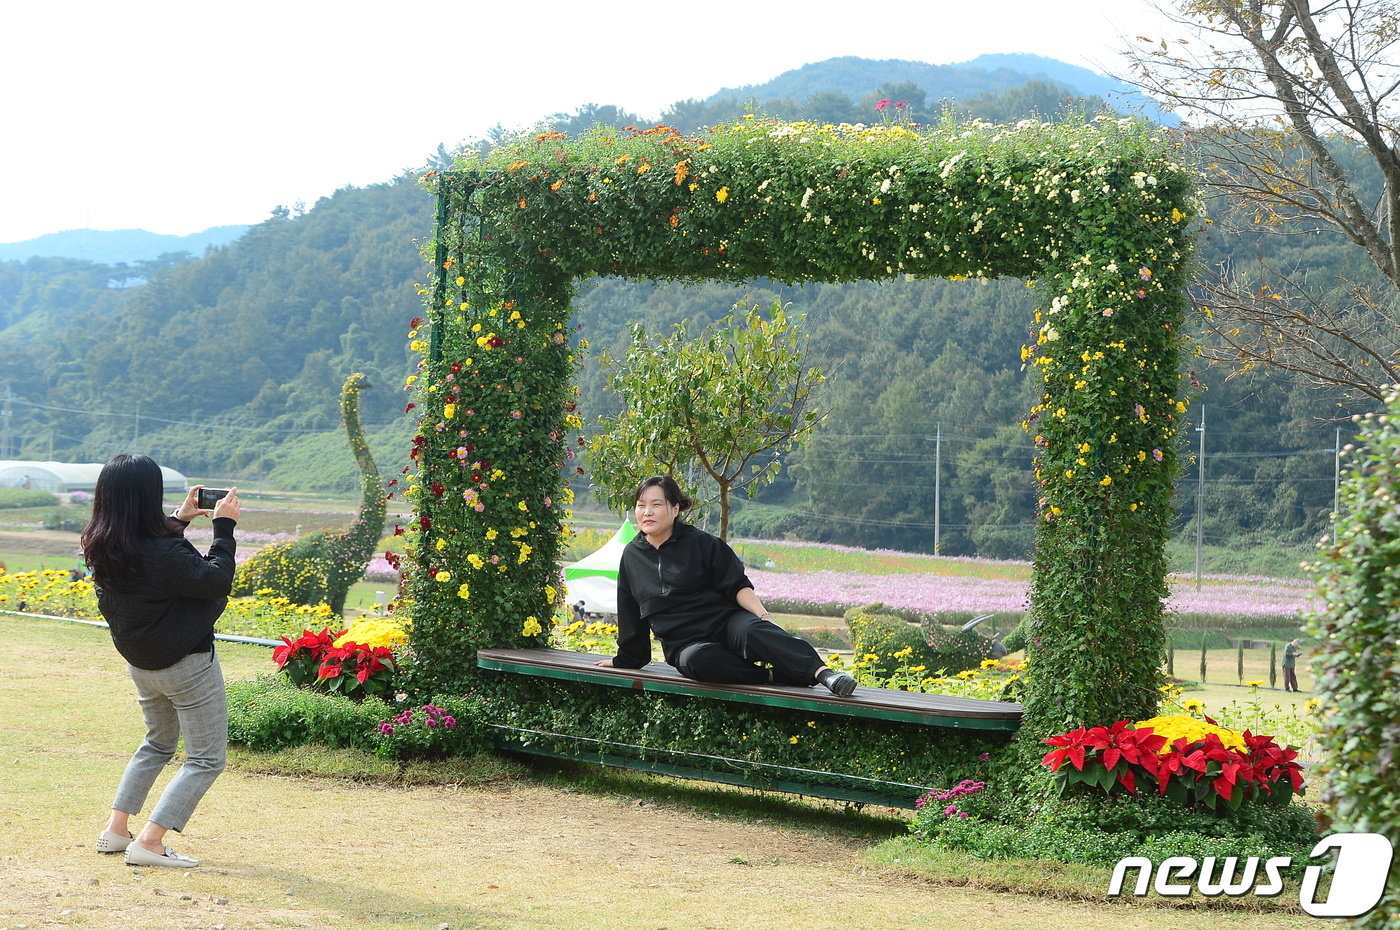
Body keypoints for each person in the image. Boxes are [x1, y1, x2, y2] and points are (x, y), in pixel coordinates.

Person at [79, 455, 241, 869]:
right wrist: (224, 527)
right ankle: (149, 843)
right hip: (186, 663)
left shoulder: (102, 542)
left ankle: (116, 831)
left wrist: (180, 519)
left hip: (141, 664)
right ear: (148, 495)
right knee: (206, 759)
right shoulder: (161, 551)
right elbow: (215, 580)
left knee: (156, 744)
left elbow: (150, 551)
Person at [595, 475, 856, 697]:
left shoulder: (703, 544)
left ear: (675, 509)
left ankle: (825, 675)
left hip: (726, 624)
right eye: (641, 505)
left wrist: (764, 617)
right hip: (687, 645)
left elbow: (737, 586)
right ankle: (772, 676)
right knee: (700, 662)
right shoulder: (631, 555)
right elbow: (630, 612)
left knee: (755, 630)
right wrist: (625, 660)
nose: (647, 512)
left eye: (656, 504)